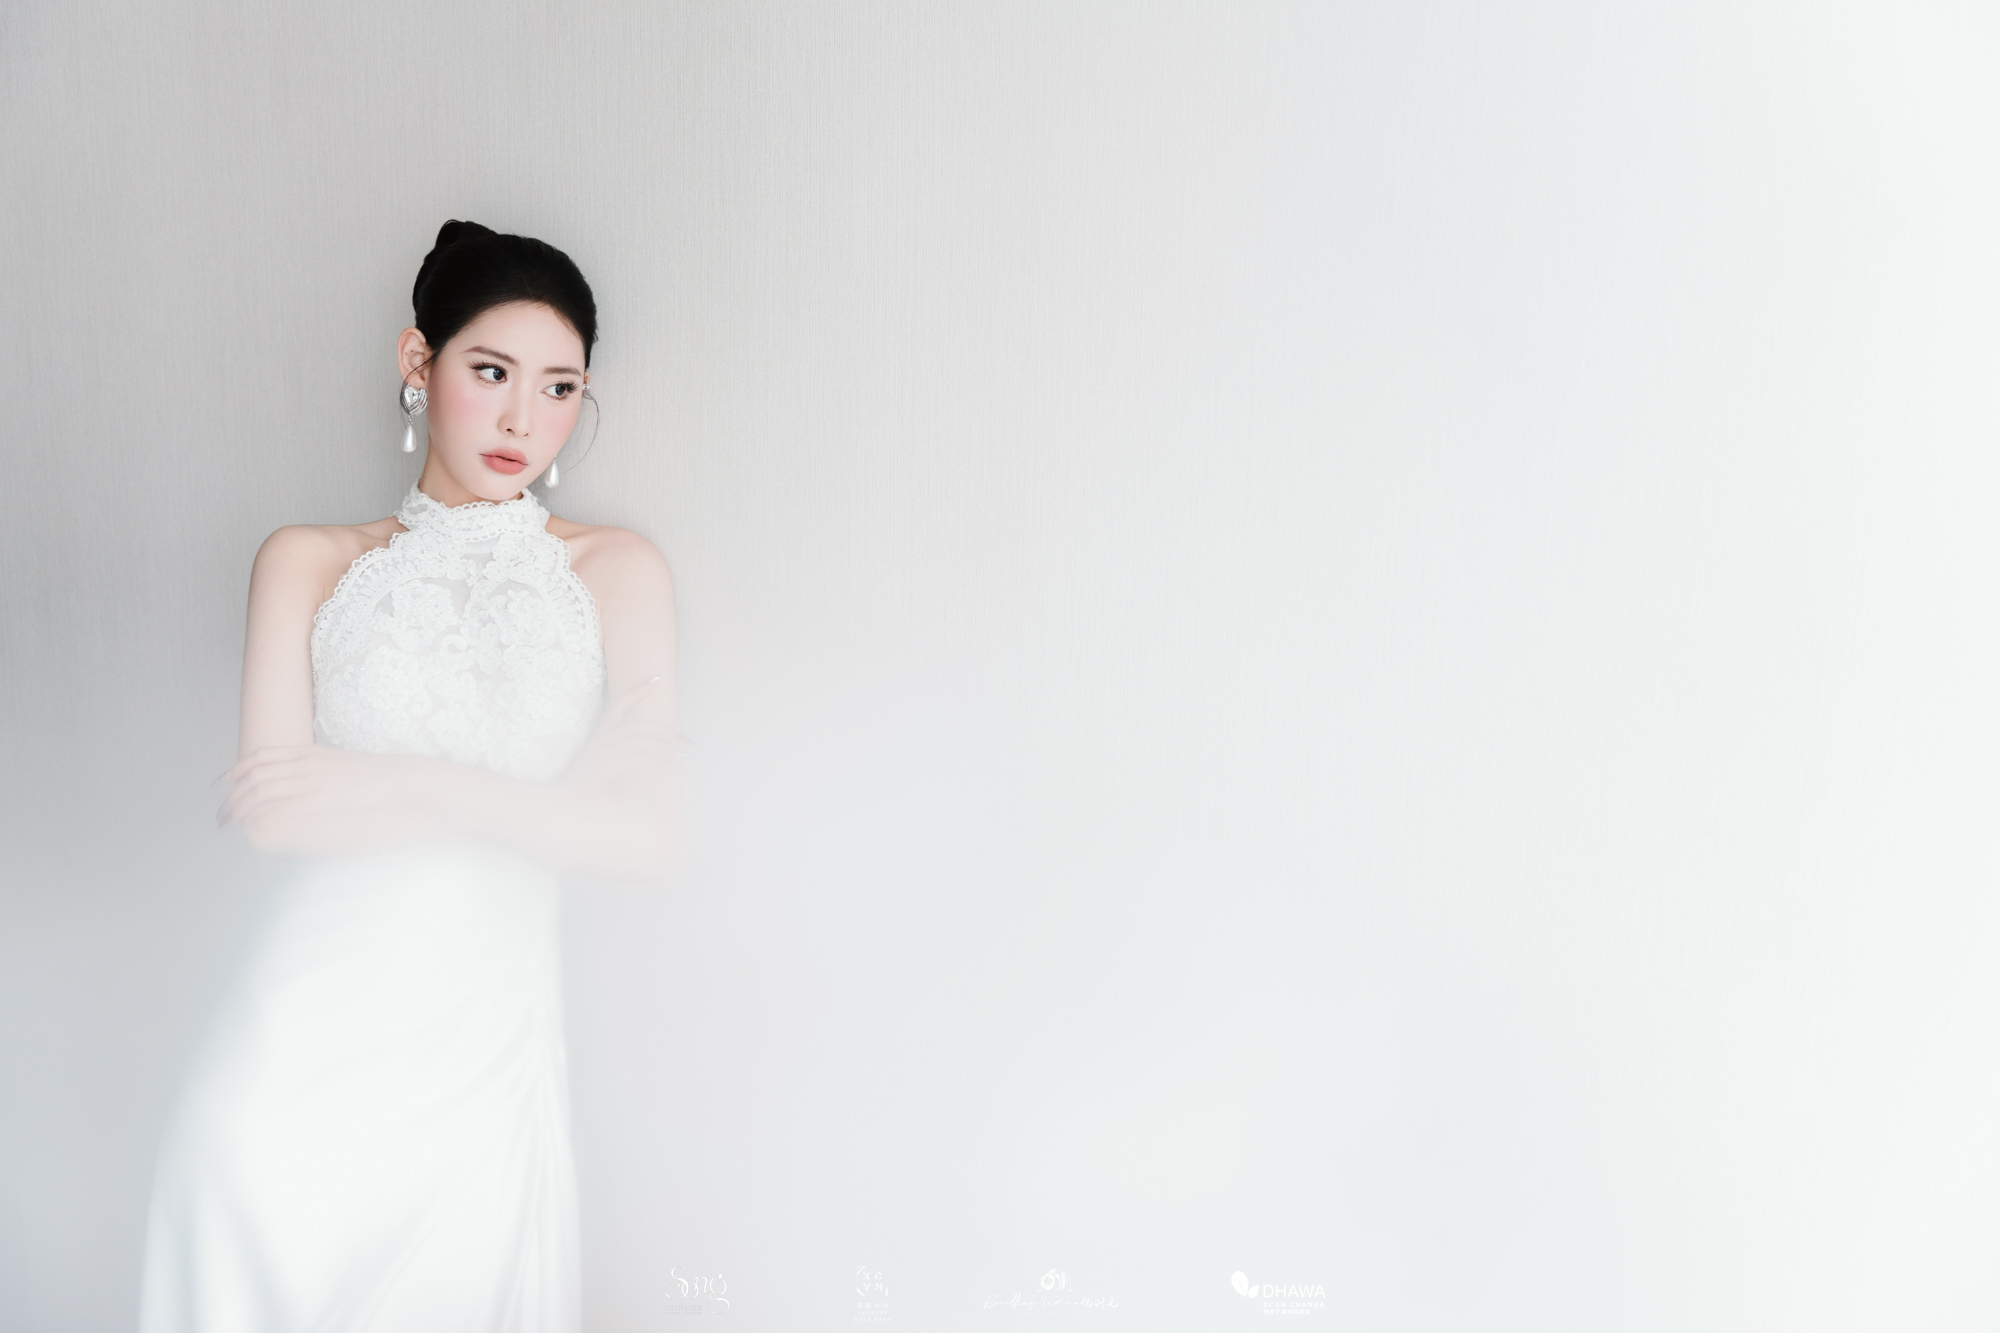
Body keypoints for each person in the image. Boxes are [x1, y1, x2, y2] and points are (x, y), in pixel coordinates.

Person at [138, 220, 678, 1332]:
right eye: (491, 371)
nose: (523, 419)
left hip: (481, 1055)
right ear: (416, 362)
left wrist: (413, 787)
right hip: (296, 1056)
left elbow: (646, 838)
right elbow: (275, 814)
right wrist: (547, 809)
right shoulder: (310, 560)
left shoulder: (616, 571)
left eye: (560, 387)